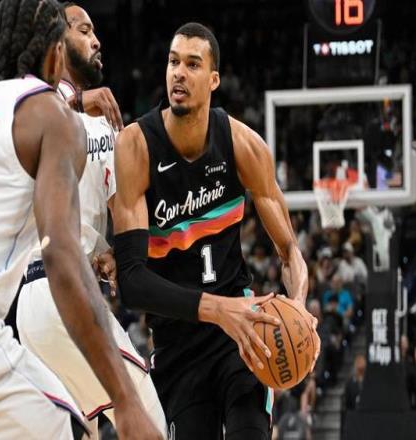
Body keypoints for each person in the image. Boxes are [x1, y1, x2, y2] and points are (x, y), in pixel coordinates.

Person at [0, 1, 161, 439]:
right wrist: (124, 402)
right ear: (55, 53)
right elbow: (61, 255)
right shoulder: (50, 113)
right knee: (106, 424)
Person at [113, 22, 319, 438]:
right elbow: (132, 282)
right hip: (176, 345)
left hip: (241, 338)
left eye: (193, 64)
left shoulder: (243, 145)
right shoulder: (136, 146)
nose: (179, 73)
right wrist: (217, 309)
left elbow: (289, 252)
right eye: (173, 62)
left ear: (213, 80)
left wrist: (297, 306)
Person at [15, 4, 167, 438]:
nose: (97, 41)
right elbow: (21, 116)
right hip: (58, 289)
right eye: (84, 31)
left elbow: (120, 216)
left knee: (86, 430)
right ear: (57, 43)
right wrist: (78, 99)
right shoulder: (35, 104)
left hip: (43, 305)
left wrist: (112, 252)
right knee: (149, 420)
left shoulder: (108, 126)